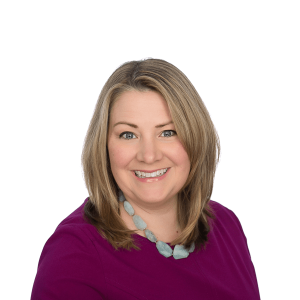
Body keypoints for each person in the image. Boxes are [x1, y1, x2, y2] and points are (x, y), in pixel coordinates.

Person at [31, 58, 260, 299]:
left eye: (168, 132)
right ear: (104, 145)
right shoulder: (73, 255)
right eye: (128, 134)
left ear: (195, 138)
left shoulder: (226, 226)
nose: (149, 156)